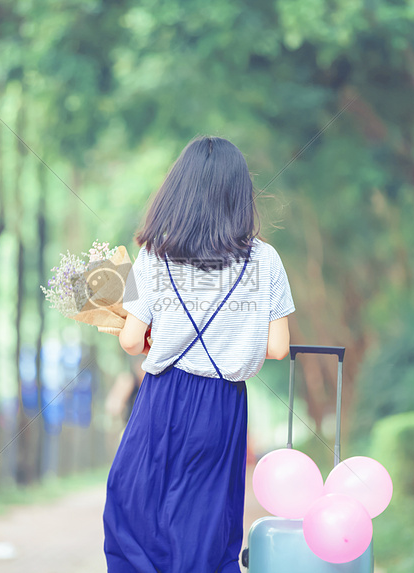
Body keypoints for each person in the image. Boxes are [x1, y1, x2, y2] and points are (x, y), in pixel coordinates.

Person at [102, 136, 296, 572]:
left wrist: (157, 334)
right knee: (206, 526)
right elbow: (279, 347)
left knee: (133, 512)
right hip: (223, 407)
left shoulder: (156, 254)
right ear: (240, 195)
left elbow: (132, 341)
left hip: (162, 398)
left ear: (179, 190)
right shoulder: (264, 259)